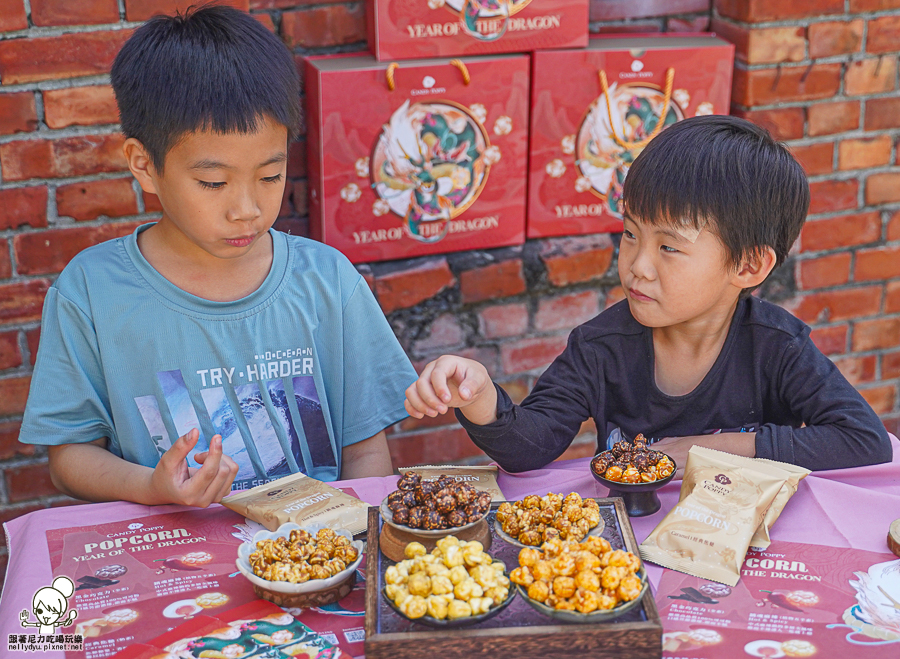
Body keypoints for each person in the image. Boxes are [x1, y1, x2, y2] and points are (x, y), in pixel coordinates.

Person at [18, 5, 416, 506]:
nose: (246, 210)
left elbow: (366, 454)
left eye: (270, 176)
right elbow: (69, 458)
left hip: (316, 563)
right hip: (176, 563)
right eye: (213, 182)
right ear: (144, 166)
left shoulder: (327, 281)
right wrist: (151, 487)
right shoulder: (92, 293)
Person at [405, 115, 892, 475]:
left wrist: (705, 449)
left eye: (669, 247)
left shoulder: (776, 347)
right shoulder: (600, 348)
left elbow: (864, 440)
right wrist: (480, 395)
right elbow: (530, 447)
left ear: (748, 265)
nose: (637, 265)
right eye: (631, 234)